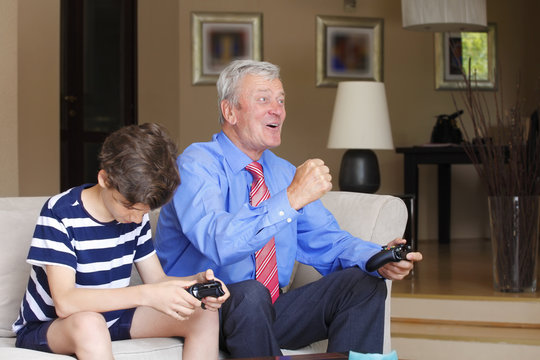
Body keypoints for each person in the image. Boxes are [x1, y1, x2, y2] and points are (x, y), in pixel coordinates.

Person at [154, 60, 422, 358]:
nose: (277, 110)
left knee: (365, 283)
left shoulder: (282, 172)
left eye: (281, 100)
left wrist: (378, 257)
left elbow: (329, 242)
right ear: (229, 111)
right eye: (263, 99)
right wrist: (291, 198)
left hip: (266, 312)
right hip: (204, 309)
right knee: (250, 293)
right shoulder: (196, 165)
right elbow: (220, 243)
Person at [13, 123, 229, 360]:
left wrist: (194, 282)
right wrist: (146, 294)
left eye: (144, 211)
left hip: (112, 317)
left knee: (202, 313)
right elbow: (66, 302)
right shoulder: (60, 213)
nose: (137, 219)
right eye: (130, 207)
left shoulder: (135, 218)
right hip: (55, 326)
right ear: (105, 179)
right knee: (90, 324)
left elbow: (157, 280)